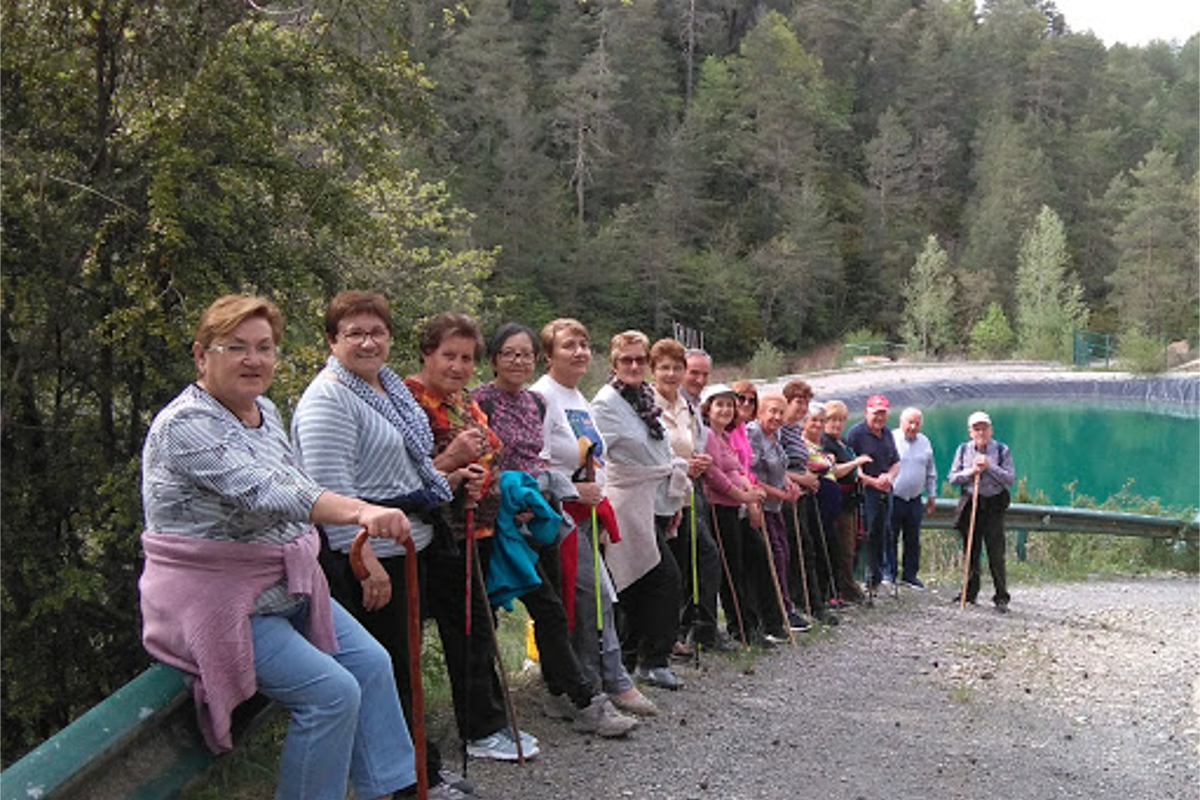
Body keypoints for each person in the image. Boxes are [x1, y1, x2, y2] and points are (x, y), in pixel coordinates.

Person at [139, 294, 419, 800]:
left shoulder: (263, 411)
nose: (254, 359)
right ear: (202, 355)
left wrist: (361, 551)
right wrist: (360, 511)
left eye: (264, 347)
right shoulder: (184, 426)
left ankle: (392, 791)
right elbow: (268, 491)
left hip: (286, 586)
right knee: (331, 695)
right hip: (222, 602)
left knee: (373, 665)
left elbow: (293, 480)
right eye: (236, 347)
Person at [290, 294, 526, 786]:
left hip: (412, 544)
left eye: (376, 331)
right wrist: (362, 561)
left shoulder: (386, 389)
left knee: (406, 668)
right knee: (390, 672)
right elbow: (328, 493)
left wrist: (454, 480)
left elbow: (409, 468)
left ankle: (421, 772)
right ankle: (411, 782)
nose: (367, 341)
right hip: (372, 557)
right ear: (332, 340)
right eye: (353, 332)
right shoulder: (328, 400)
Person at [472, 323, 638, 737]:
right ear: (492, 359)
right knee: (490, 616)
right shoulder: (480, 402)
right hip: (497, 523)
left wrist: (556, 495)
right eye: (509, 353)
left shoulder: (536, 403)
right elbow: (487, 461)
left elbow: (541, 461)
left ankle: (566, 693)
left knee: (551, 609)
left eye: (525, 354)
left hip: (540, 515)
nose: (518, 361)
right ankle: (491, 713)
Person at [399, 312, 541, 762]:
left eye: (466, 358)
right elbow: (413, 468)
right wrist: (457, 466)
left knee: (480, 627)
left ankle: (490, 721)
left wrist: (478, 474)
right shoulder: (410, 401)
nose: (458, 367)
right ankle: (479, 730)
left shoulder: (462, 402)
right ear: (426, 354)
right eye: (448, 356)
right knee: (466, 629)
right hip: (439, 532)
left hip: (474, 526)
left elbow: (490, 448)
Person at [530, 319, 659, 718]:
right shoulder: (541, 397)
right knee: (590, 597)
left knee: (597, 597)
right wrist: (571, 489)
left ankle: (599, 680)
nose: (580, 352)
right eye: (569, 345)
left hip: (585, 514)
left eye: (585, 344)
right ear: (548, 354)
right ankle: (593, 686)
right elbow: (535, 461)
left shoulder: (577, 398)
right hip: (557, 516)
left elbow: (593, 455)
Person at [592, 331, 690, 690]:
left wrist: (672, 498)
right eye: (626, 360)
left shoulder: (644, 397)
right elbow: (596, 456)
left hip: (654, 497)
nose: (633, 366)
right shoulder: (605, 403)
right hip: (626, 499)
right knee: (661, 578)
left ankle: (636, 657)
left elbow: (661, 451)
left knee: (643, 580)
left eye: (638, 359)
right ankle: (651, 658)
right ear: (614, 364)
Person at [649, 338, 725, 655]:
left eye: (702, 374)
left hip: (685, 492)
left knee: (688, 560)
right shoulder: (652, 403)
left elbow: (692, 446)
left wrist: (698, 461)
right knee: (682, 562)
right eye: (692, 372)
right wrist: (685, 464)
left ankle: (684, 631)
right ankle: (678, 634)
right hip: (658, 493)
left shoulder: (689, 406)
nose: (697, 379)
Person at [700, 383, 771, 647]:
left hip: (734, 506)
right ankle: (740, 627)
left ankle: (749, 624)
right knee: (731, 571)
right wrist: (743, 495)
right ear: (708, 409)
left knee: (740, 566)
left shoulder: (725, 437)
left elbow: (737, 469)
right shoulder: (708, 436)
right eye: (720, 404)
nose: (726, 410)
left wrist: (750, 489)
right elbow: (714, 474)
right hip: (719, 507)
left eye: (729, 405)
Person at [746, 393, 807, 633]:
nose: (777, 417)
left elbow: (780, 468)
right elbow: (753, 475)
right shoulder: (753, 433)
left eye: (780, 412)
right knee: (774, 556)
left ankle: (785, 607)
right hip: (759, 505)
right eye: (771, 411)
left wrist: (788, 484)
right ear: (760, 412)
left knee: (784, 553)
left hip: (775, 506)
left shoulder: (776, 434)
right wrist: (780, 493)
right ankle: (776, 612)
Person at [778, 380, 837, 626]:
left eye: (805, 402)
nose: (802, 407)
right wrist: (801, 478)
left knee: (806, 548)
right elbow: (773, 466)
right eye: (798, 402)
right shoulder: (779, 429)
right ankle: (801, 603)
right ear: (787, 402)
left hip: (801, 495)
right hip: (784, 498)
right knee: (795, 549)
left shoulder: (793, 430)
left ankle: (812, 602)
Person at [948, 411, 1016, 612]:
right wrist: (971, 471)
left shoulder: (1002, 450)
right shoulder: (963, 450)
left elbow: (1009, 479)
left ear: (990, 430)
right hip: (972, 503)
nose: (980, 432)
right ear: (970, 431)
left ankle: (1001, 597)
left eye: (984, 427)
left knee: (996, 552)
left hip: (994, 505)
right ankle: (969, 593)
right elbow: (953, 478)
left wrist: (989, 466)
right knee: (971, 550)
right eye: (976, 428)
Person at [845, 394, 900, 594]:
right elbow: (851, 466)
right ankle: (859, 578)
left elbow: (896, 462)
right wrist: (872, 481)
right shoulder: (856, 434)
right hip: (865, 492)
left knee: (883, 533)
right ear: (867, 411)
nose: (880, 417)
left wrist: (889, 476)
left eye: (883, 413)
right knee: (864, 535)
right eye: (876, 413)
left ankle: (879, 578)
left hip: (885, 491)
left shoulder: (887, 434)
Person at [821, 400, 872, 603]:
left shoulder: (842, 442)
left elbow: (851, 467)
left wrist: (858, 471)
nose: (836, 424)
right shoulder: (825, 442)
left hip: (851, 500)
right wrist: (856, 463)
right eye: (832, 419)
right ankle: (843, 589)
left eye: (841, 420)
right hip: (838, 500)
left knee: (852, 545)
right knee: (843, 547)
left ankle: (848, 586)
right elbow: (834, 470)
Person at [890, 407, 938, 589]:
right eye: (910, 422)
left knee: (912, 539)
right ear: (901, 422)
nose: (913, 426)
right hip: (894, 496)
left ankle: (910, 575)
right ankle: (890, 574)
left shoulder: (925, 442)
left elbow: (930, 471)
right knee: (890, 537)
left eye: (917, 423)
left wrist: (931, 495)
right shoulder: (891, 438)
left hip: (915, 499)